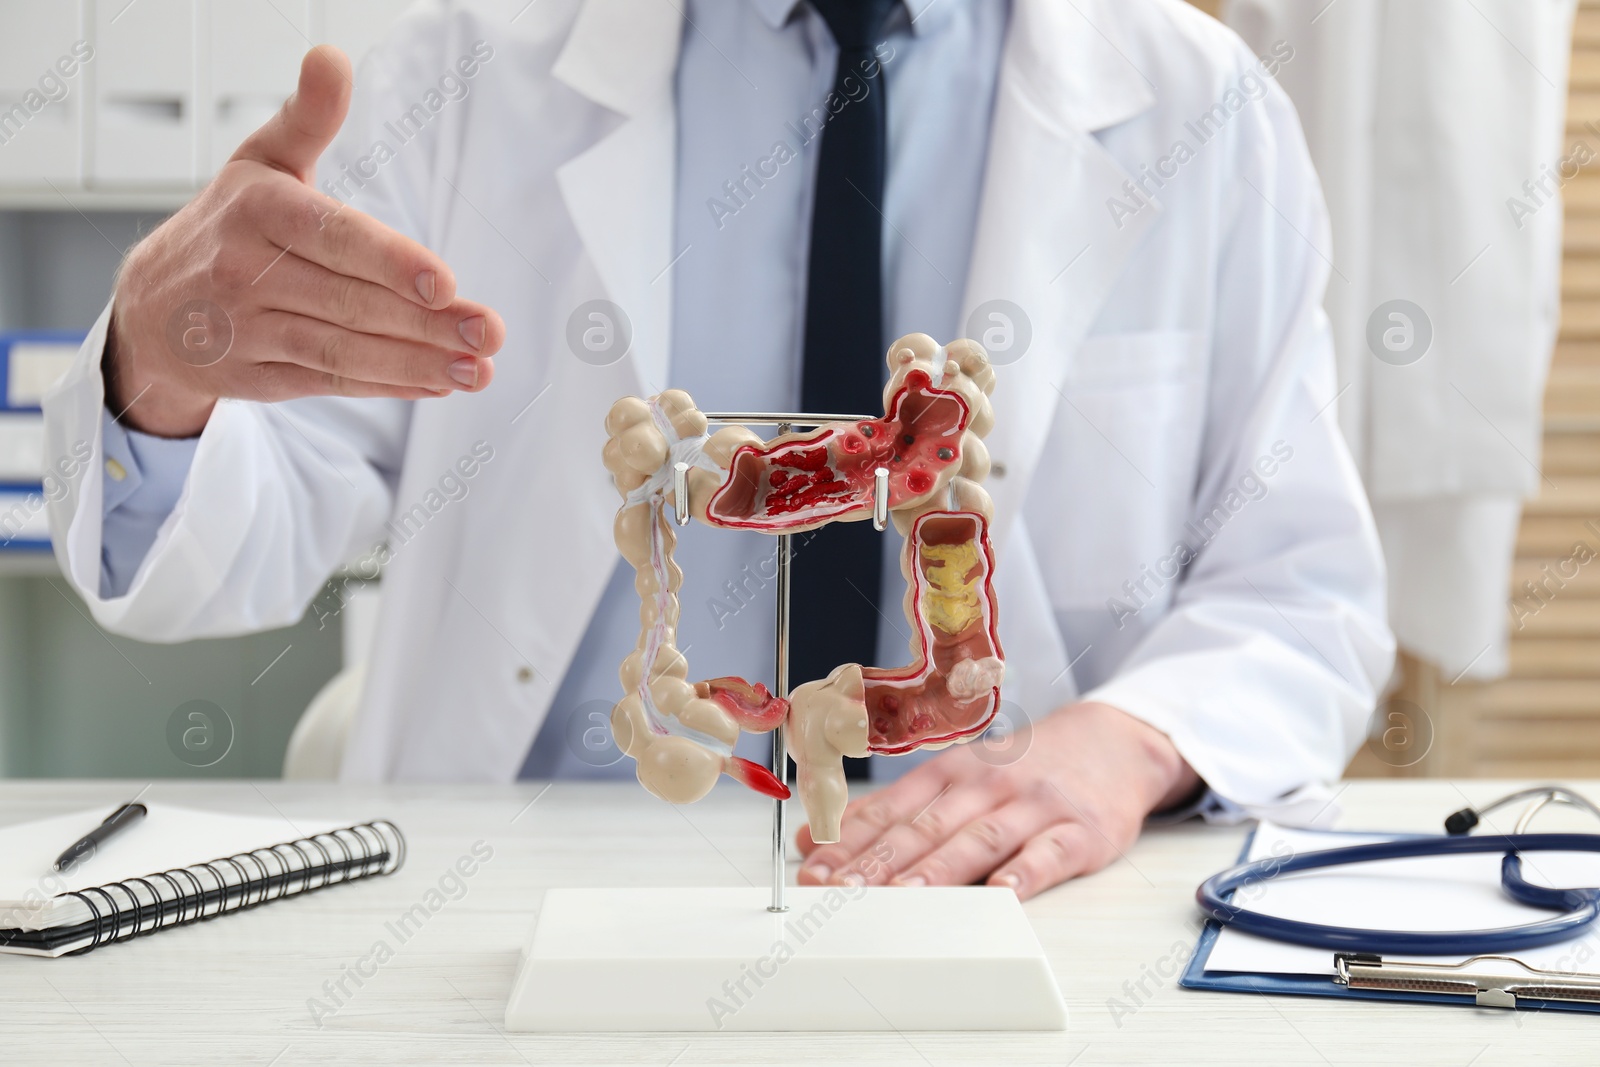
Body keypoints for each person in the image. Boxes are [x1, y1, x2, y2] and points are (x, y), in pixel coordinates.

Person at [42, 0, 1394, 899]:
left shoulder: (1201, 108)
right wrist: (156, 376)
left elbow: (1298, 594)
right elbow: (234, 546)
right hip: (525, 894)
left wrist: (1125, 740)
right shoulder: (466, 68)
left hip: (989, 893)